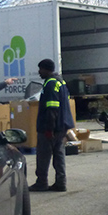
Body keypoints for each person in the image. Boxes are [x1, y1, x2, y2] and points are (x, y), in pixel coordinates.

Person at [29, 59, 75, 192]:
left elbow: (52, 109)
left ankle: (41, 182)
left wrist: (49, 128)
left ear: (46, 69)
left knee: (43, 155)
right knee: (59, 154)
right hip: (62, 125)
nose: (39, 72)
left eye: (40, 69)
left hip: (50, 127)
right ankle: (61, 182)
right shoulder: (61, 82)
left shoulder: (50, 84)